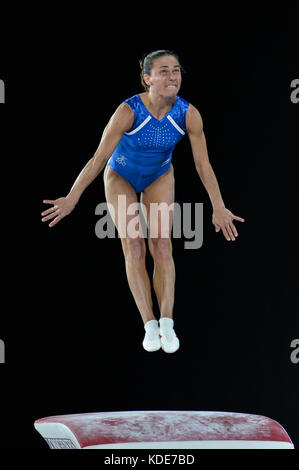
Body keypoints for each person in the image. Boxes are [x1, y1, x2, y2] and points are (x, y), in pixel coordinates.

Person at [41, 50, 245, 354]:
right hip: (120, 174)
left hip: (159, 176)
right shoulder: (128, 111)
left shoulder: (189, 114)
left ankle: (166, 322)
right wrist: (73, 196)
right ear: (147, 78)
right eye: (163, 71)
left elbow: (203, 165)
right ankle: (149, 324)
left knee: (162, 246)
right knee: (133, 245)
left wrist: (218, 205)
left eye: (176, 70)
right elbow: (99, 158)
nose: (172, 76)